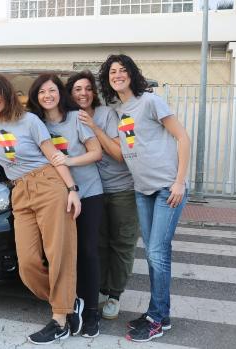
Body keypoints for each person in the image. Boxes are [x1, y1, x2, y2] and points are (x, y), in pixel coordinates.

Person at [0, 73, 81, 345]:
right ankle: (68, 301)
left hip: (48, 185)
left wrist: (72, 190)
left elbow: (53, 156)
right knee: (28, 265)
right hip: (19, 191)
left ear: (7, 94)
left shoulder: (29, 121)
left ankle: (60, 319)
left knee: (59, 253)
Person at [99, 54, 190, 342]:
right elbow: (121, 149)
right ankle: (158, 313)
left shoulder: (151, 101)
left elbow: (183, 137)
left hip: (166, 188)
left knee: (157, 253)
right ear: (108, 79)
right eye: (113, 71)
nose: (118, 75)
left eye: (123, 70)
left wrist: (179, 182)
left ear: (132, 74)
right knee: (154, 255)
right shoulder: (119, 109)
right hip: (142, 189)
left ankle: (157, 318)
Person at [27, 73, 104, 338]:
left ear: (61, 92)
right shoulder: (34, 123)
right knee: (62, 252)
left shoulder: (76, 118)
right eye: (41, 92)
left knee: (87, 250)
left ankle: (91, 309)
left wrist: (66, 162)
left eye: (52, 90)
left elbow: (96, 152)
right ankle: (69, 305)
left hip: (89, 192)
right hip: (56, 196)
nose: (47, 96)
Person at [66, 70, 141, 321]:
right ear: (70, 93)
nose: (83, 93)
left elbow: (118, 154)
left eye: (88, 88)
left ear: (94, 92)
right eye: (78, 89)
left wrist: (93, 126)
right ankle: (99, 287)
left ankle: (114, 294)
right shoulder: (67, 117)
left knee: (121, 243)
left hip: (120, 188)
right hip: (92, 191)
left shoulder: (107, 114)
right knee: (97, 243)